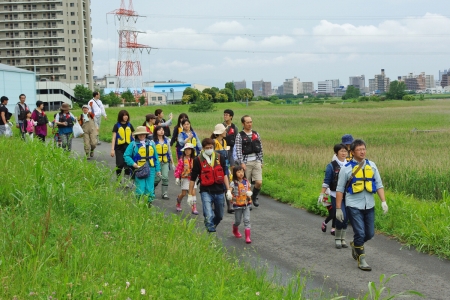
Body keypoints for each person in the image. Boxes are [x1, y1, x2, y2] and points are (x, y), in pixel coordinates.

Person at [335, 139, 388, 271]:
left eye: (363, 149)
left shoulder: (372, 165)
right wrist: (338, 209)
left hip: (369, 204)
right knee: (360, 232)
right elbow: (340, 189)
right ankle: (361, 259)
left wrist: (383, 201)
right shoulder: (346, 169)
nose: (362, 151)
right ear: (352, 152)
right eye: (359, 149)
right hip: (353, 205)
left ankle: (355, 245)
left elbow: (379, 185)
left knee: (369, 234)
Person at [188, 138, 232, 233]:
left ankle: (210, 225)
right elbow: (192, 179)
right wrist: (190, 195)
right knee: (208, 214)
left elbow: (225, 174)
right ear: (203, 148)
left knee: (220, 215)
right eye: (207, 148)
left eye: (211, 147)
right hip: (206, 191)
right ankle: (210, 230)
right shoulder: (197, 160)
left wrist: (228, 190)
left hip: (220, 190)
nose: (209, 149)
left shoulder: (220, 157)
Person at [319, 144, 350, 247]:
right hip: (335, 194)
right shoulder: (331, 166)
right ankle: (337, 238)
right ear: (336, 153)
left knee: (346, 218)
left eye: (345, 151)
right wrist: (322, 193)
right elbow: (327, 181)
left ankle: (343, 239)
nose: (344, 153)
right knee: (340, 216)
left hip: (348, 195)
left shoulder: (350, 165)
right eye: (341, 151)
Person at [124, 126, 161, 206]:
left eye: (143, 134)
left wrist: (158, 169)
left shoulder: (151, 143)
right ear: (137, 135)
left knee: (150, 188)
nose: (142, 136)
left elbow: (156, 157)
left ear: (145, 134)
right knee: (140, 188)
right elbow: (126, 155)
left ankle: (148, 204)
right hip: (139, 168)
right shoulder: (133, 144)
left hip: (151, 168)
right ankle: (139, 205)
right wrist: (133, 164)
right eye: (140, 134)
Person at [234, 115, 264, 207]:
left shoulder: (256, 134)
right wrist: (242, 163)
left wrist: (261, 161)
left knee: (259, 182)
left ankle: (254, 196)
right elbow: (238, 150)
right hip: (246, 162)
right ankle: (248, 201)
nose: (250, 124)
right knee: (247, 184)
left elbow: (260, 148)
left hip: (256, 160)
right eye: (247, 122)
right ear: (243, 123)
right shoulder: (240, 135)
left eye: (251, 122)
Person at [211, 123, 233, 213]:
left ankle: (229, 205)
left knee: (227, 184)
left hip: (224, 165)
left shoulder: (224, 141)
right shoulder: (214, 142)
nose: (225, 132)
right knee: (216, 184)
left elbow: (226, 156)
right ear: (220, 132)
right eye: (224, 130)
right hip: (216, 166)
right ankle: (214, 204)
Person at [230, 166, 253, 244]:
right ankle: (235, 229)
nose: (241, 173)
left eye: (242, 172)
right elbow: (230, 191)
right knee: (238, 221)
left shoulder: (246, 182)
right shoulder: (233, 183)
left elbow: (249, 190)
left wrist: (249, 196)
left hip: (246, 204)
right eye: (239, 172)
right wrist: (229, 195)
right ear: (235, 173)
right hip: (238, 205)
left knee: (247, 220)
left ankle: (247, 237)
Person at [111, 110, 135, 181]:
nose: (126, 117)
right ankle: (118, 179)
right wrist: (112, 149)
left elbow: (133, 136)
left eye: (126, 115)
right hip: (119, 148)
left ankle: (126, 181)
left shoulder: (130, 125)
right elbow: (114, 138)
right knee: (120, 164)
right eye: (124, 115)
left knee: (127, 165)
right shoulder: (116, 125)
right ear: (120, 116)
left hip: (128, 148)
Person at [174, 143, 197, 214]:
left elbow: (197, 169)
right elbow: (178, 169)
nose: (187, 151)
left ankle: (194, 208)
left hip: (192, 178)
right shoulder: (182, 160)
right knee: (183, 194)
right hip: (185, 178)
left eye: (189, 149)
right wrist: (177, 177)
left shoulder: (195, 159)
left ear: (192, 151)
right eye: (186, 150)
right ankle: (178, 201)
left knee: (193, 192)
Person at [153, 125, 174, 200]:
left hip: (165, 161)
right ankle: (152, 190)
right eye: (159, 130)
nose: (161, 131)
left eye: (162, 130)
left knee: (165, 177)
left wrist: (172, 163)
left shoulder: (167, 140)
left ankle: (164, 194)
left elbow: (170, 152)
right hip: (156, 162)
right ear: (156, 131)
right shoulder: (153, 141)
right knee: (157, 178)